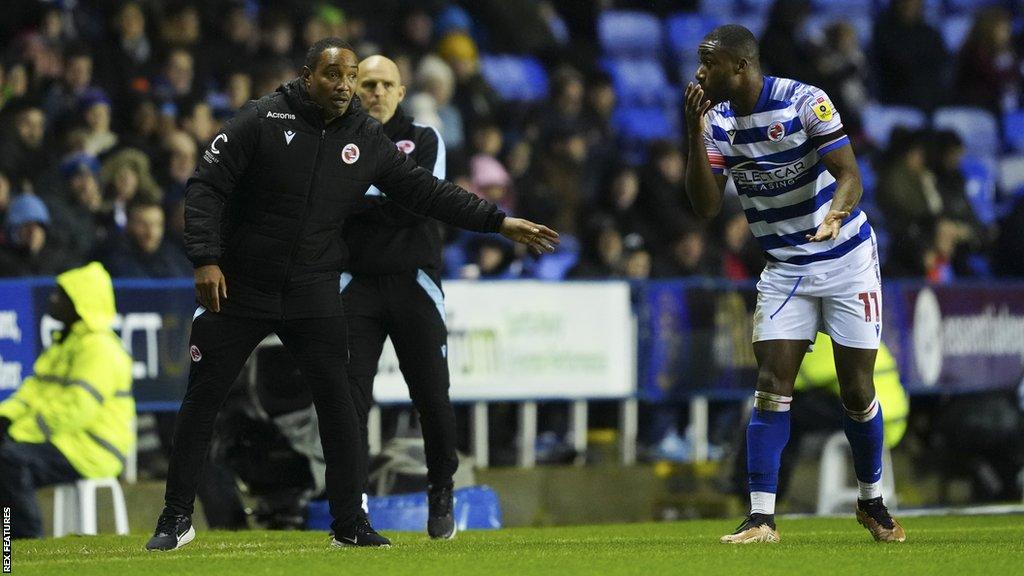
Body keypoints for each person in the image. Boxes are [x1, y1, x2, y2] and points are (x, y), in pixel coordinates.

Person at [146, 38, 557, 552]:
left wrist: (498, 222)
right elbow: (206, 185)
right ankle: (176, 518)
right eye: (333, 76)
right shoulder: (262, 118)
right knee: (202, 398)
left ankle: (348, 523)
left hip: (312, 290)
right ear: (307, 76)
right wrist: (205, 258)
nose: (344, 87)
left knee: (340, 407)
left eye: (350, 77)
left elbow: (426, 192)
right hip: (239, 285)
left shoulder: (365, 135)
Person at [683, 25, 904, 543]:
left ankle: (871, 501)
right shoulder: (715, 122)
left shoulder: (805, 101)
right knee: (770, 383)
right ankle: (761, 517)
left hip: (846, 256)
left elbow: (849, 174)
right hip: (785, 267)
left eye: (708, 62)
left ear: (739, 67)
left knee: (856, 390)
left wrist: (836, 213)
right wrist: (691, 131)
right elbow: (705, 206)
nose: (699, 72)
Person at [344, 54, 458, 539]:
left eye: (385, 83)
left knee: (431, 394)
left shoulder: (426, 138)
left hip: (414, 281)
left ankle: (441, 490)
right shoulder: (336, 140)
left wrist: (363, 197)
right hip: (357, 284)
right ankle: (351, 505)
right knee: (347, 399)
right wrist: (387, 195)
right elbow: (329, 205)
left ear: (400, 88)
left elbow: (418, 202)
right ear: (354, 89)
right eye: (367, 83)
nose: (376, 92)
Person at [0, 262, 134, 538]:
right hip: (68, 439)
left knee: (10, 460)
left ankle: (26, 544)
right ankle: (10, 541)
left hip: (95, 447)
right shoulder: (67, 343)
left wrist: (17, 432)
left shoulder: (100, 348)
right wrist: (5, 418)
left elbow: (77, 408)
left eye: (60, 295)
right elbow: (31, 391)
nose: (53, 300)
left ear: (80, 303)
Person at [728, 335, 909, 506]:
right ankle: (757, 487)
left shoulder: (816, 339)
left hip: (873, 419)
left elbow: (790, 383)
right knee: (789, 413)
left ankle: (754, 490)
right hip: (891, 417)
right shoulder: (851, 328)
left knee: (777, 413)